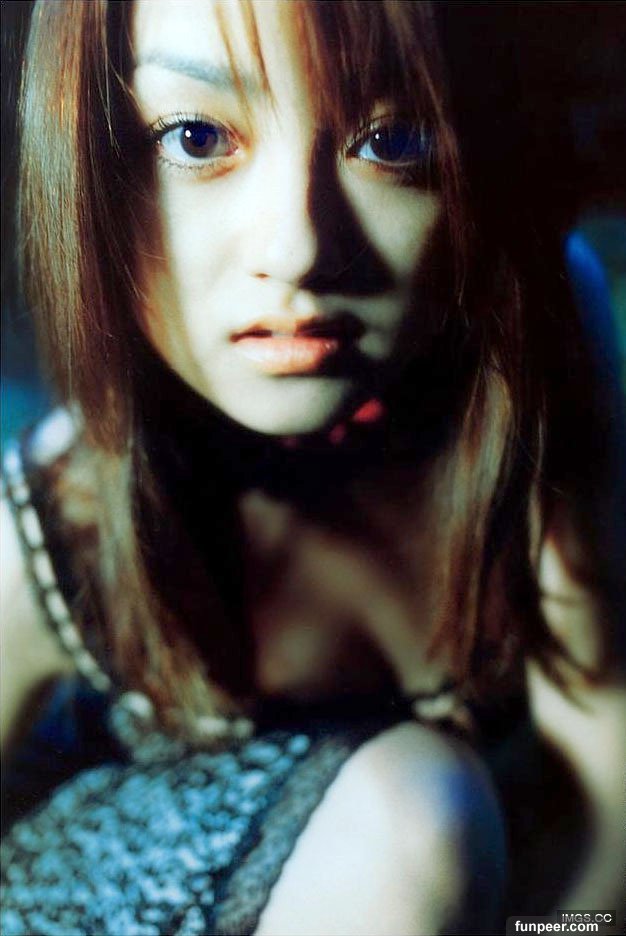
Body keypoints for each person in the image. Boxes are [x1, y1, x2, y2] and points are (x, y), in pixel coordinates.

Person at [1, 1, 623, 934]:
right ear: (93, 162)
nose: (297, 250)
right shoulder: (47, 537)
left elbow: (606, 757)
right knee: (419, 813)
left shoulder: (541, 329)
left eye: (395, 139)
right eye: (196, 136)